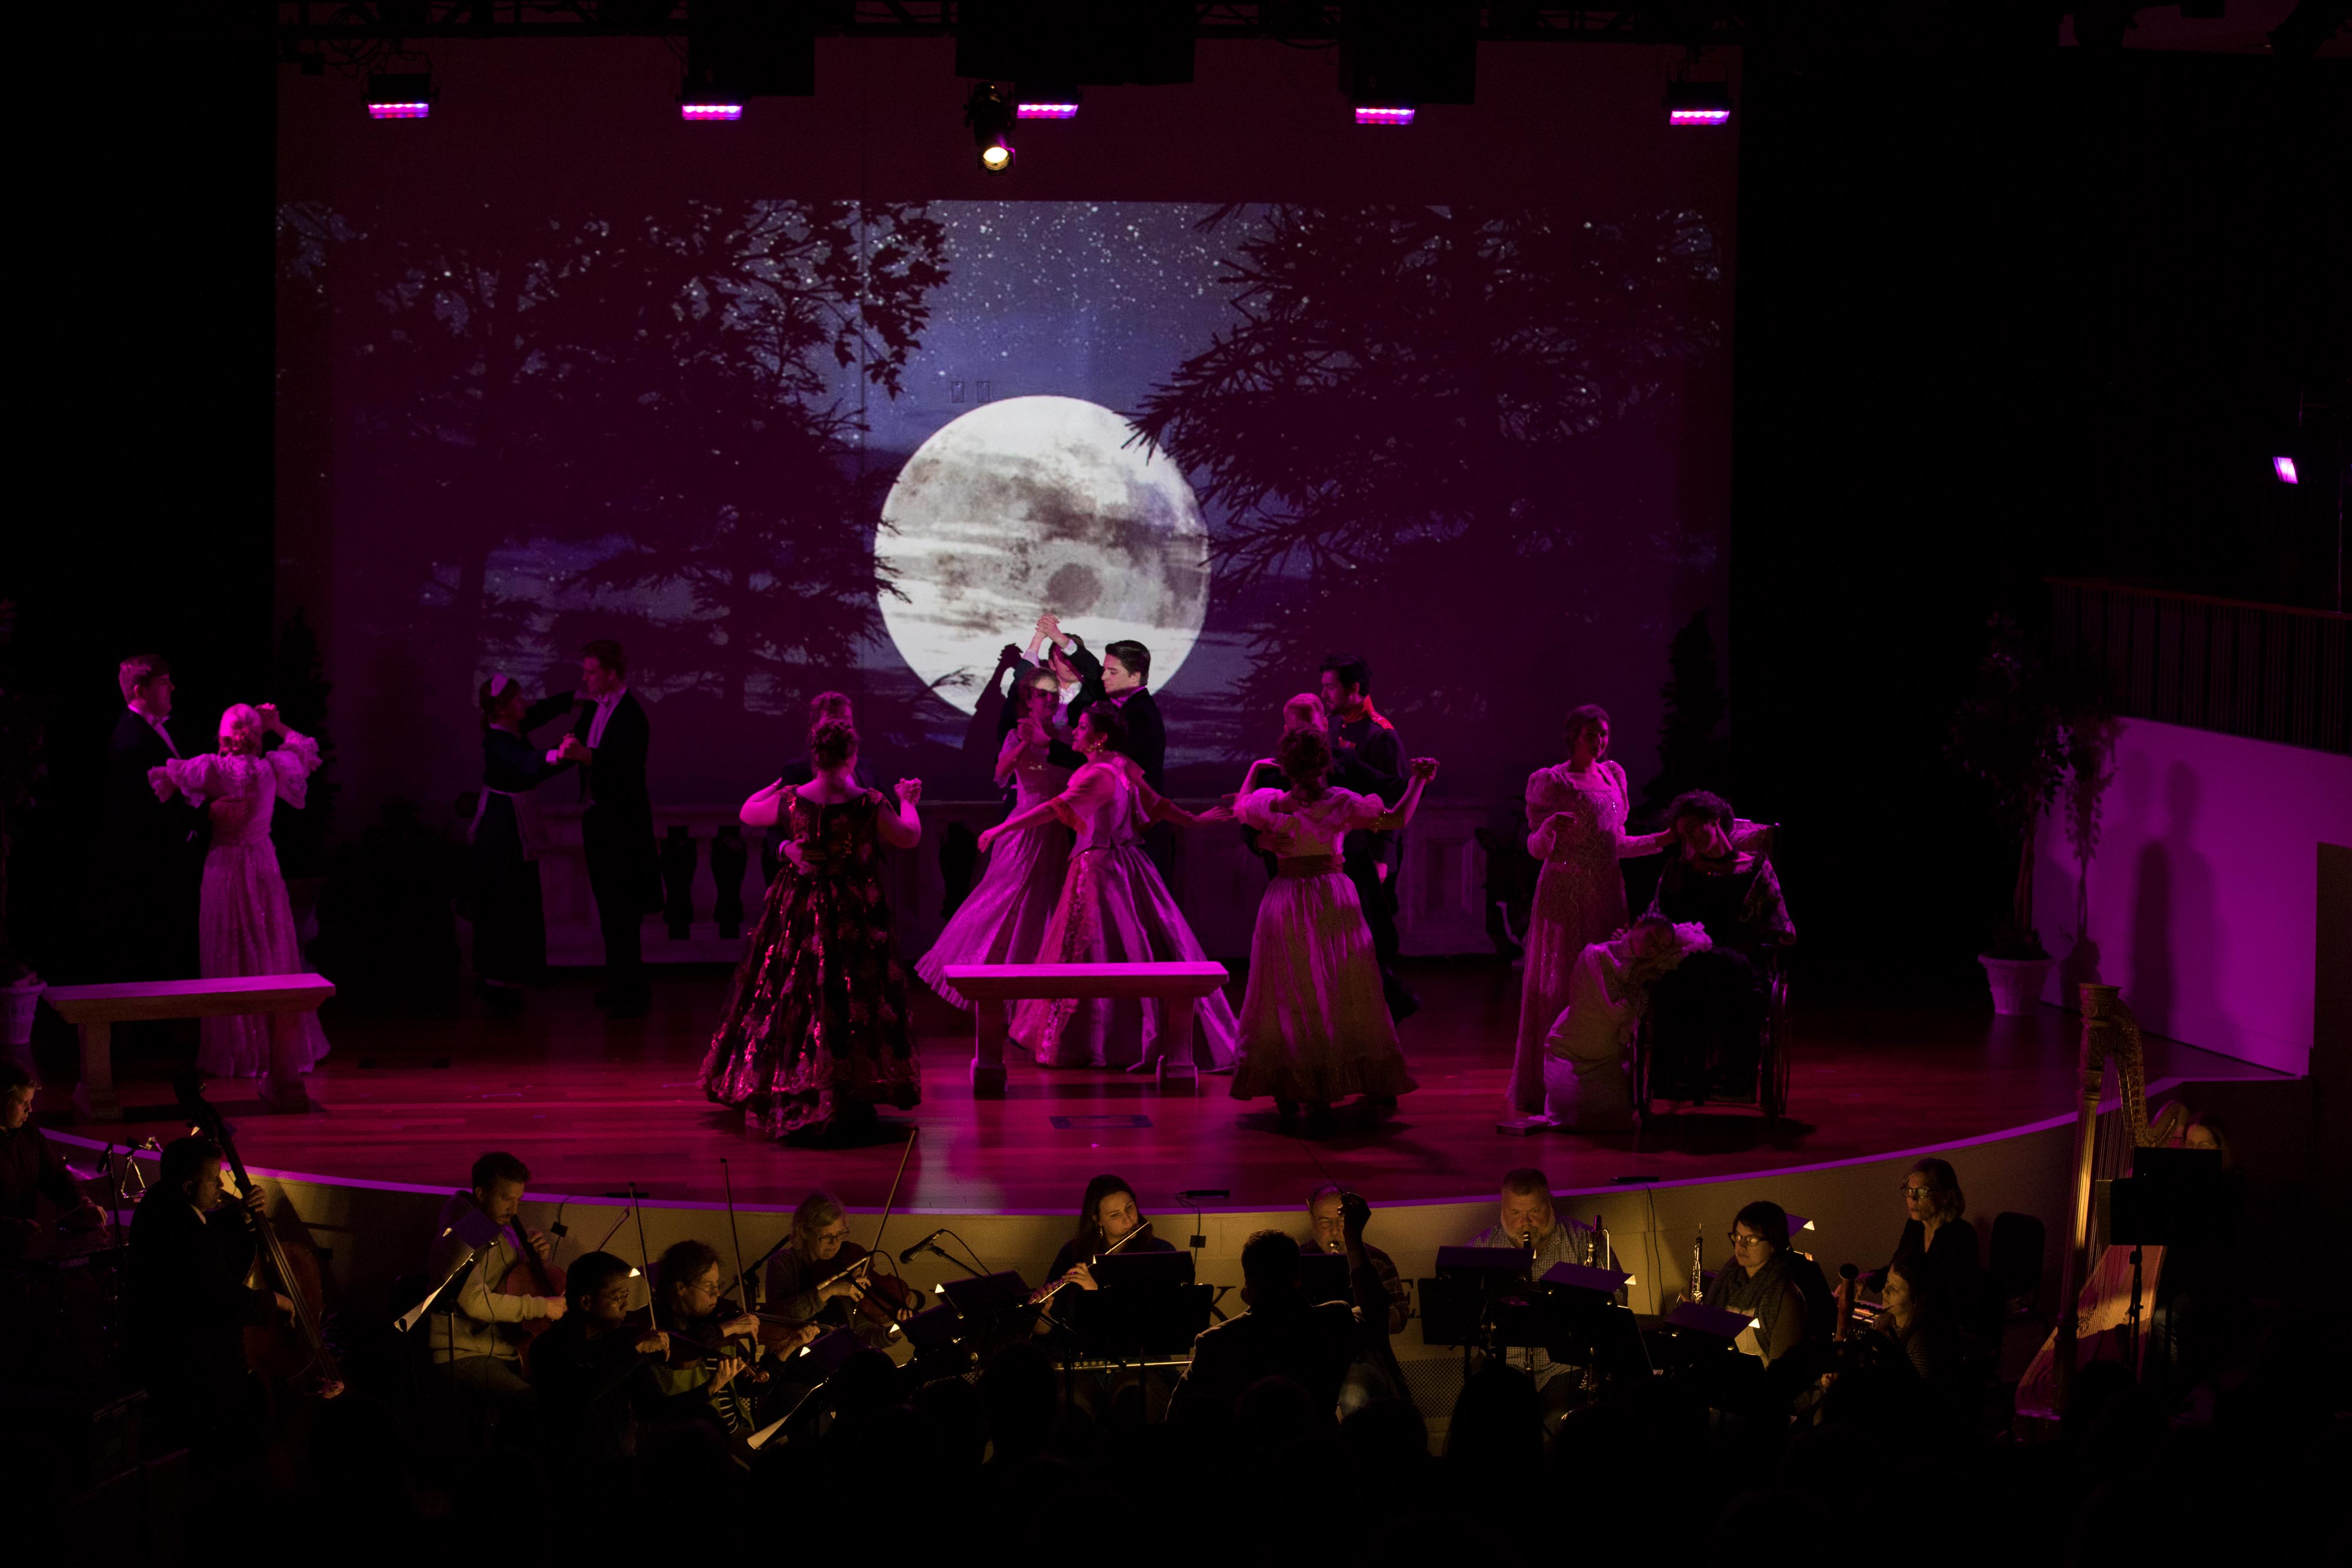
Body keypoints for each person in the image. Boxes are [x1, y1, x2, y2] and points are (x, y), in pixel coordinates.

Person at [980, 704, 1239, 1071]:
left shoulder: (1099, 776)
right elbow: (1158, 803)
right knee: (1134, 946)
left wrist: (1000, 829)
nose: (1074, 731)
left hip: (1099, 866)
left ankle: (1103, 1041)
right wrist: (1193, 821)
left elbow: (1053, 810)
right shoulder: (1119, 764)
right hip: (1128, 864)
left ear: (1099, 738)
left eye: (1082, 727)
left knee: (1092, 951)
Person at [703, 716, 923, 1143]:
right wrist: (908, 799)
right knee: (851, 996)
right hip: (855, 911)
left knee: (798, 993)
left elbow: (748, 811)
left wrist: (777, 793)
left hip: (801, 908)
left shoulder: (791, 799)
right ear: (851, 756)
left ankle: (796, 1080)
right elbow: (908, 836)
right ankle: (847, 1086)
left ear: (815, 756)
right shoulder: (869, 802)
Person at [1229, 721, 1437, 1131]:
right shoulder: (1338, 802)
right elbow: (1395, 820)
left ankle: (1292, 1084)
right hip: (1329, 896)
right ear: (1324, 764)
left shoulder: (1271, 802)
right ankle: (1320, 1083)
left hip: (1288, 898)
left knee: (1291, 991)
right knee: (1337, 987)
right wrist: (1418, 782)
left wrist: (1254, 771)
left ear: (1286, 767)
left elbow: (1241, 807)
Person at [1506, 706, 1683, 1114]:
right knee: (1563, 976)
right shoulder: (1552, 782)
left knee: (1609, 976)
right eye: (1591, 733)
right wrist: (1548, 830)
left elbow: (1616, 843)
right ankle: (1551, 1079)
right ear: (1573, 736)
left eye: (1604, 733)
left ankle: (1608, 1076)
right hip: (1564, 887)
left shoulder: (1613, 777)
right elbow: (1535, 847)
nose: (1600, 741)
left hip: (1605, 887)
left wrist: (1661, 839)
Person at [147, 701, 329, 1078]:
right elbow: (305, 747)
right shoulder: (272, 766)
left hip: (224, 864)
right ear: (256, 738)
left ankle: (234, 1049)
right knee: (269, 947)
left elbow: (165, 784)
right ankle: (276, 1049)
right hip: (262, 863)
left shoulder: (209, 768)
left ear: (223, 736)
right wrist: (276, 723)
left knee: (227, 948)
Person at [917, 665, 1073, 1013]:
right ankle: (984, 978)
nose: (1050, 699)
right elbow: (1000, 774)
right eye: (1042, 694)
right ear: (1029, 700)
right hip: (1023, 828)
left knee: (1045, 904)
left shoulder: (1065, 737)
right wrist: (1023, 746)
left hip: (1057, 828)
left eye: (1054, 693)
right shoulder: (1017, 735)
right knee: (1006, 896)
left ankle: (1035, 995)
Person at [126, 1135, 293, 1455]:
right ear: (189, 1187)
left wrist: (240, 1214)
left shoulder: (161, 1201)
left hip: (164, 1353)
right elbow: (227, 1301)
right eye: (213, 1180)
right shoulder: (187, 1235)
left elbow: (204, 1226)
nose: (221, 1186)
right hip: (193, 1369)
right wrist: (277, 1301)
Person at [1644, 790, 1792, 1101]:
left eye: (1694, 828)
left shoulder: (1754, 869)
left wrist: (1773, 935)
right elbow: (1655, 915)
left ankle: (1732, 1072)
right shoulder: (1677, 871)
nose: (1691, 839)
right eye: (1684, 834)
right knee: (1679, 973)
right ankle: (1676, 1073)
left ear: (1714, 821)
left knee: (1724, 966)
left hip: (1740, 964)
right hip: (1686, 962)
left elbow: (1780, 922)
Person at [555, 639, 659, 1018]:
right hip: (600, 820)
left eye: (591, 671)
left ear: (611, 674)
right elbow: (586, 745)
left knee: (622, 909)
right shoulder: (595, 710)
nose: (585, 677)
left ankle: (630, 988)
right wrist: (569, 746)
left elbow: (625, 765)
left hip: (622, 826)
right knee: (609, 907)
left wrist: (586, 755)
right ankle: (622, 985)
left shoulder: (632, 715)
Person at [1171, 1229, 1372, 1419]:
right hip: (1318, 1450)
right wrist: (1353, 1239)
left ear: (1248, 1286)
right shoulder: (1334, 1321)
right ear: (1298, 1277)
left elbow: (1177, 1415)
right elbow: (1374, 1311)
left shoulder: (1217, 1342)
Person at [1538, 916, 1711, 1132]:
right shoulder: (1595, 957)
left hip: (1606, 1058)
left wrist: (1644, 965)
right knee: (1572, 1113)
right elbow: (1618, 1015)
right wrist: (1639, 974)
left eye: (1660, 948)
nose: (1653, 948)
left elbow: (1696, 939)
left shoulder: (1642, 966)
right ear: (1636, 927)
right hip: (1571, 1050)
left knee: (1616, 1118)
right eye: (1651, 937)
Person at [423, 1151, 566, 1409]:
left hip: (502, 1346)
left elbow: (502, 1279)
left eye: (518, 1200)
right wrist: (543, 1306)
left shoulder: (497, 1226)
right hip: (464, 1354)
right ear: (481, 1193)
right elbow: (475, 1302)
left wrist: (530, 1257)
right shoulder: (462, 1233)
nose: (514, 1210)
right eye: (506, 1199)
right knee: (537, 1405)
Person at [95, 653, 203, 986]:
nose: (172, 688)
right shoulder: (133, 740)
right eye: (162, 683)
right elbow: (146, 811)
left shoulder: (154, 731)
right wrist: (202, 814)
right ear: (141, 692)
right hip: (152, 868)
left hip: (167, 861)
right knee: (153, 955)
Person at [467, 674, 577, 999]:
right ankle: (502, 974)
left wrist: (572, 698)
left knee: (516, 893)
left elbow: (538, 714)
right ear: (500, 709)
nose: (522, 704)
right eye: (515, 700)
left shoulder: (508, 731)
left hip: (511, 822)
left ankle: (514, 972)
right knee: (507, 895)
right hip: (503, 828)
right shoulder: (497, 742)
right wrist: (561, 754)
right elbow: (523, 762)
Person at [1319, 655, 1416, 1021]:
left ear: (1354, 689)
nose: (1324, 694)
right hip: (1344, 851)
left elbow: (1392, 802)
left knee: (1372, 938)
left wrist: (1382, 858)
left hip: (1371, 853)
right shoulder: (1334, 727)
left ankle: (1383, 1015)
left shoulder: (1381, 734)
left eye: (1330, 686)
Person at [527, 1249, 686, 1466]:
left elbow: (655, 1408)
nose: (626, 1305)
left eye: (626, 1296)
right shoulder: (548, 1347)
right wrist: (635, 1350)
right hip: (568, 1466)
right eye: (618, 1297)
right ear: (586, 1302)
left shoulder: (622, 1343)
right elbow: (580, 1396)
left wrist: (708, 1389)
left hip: (619, 1463)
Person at [1465, 1168, 1595, 1394]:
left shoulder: (1584, 1242)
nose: (1526, 1222)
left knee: (1559, 1420)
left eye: (1535, 1211)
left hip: (1565, 1368)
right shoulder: (1480, 1250)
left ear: (1550, 1203)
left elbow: (1615, 1303)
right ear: (1503, 1210)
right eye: (1515, 1213)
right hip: (1503, 1367)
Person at [759, 1191, 916, 1352]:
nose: (835, 1243)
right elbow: (778, 1318)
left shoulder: (851, 1261)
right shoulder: (783, 1263)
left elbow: (861, 1335)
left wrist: (893, 1333)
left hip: (841, 1358)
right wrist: (830, 1290)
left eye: (840, 1234)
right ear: (805, 1232)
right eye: (826, 1237)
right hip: (794, 1358)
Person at [1862, 1157, 1982, 1328]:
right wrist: (1868, 1279)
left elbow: (1955, 1300)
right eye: (1909, 1191)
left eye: (1922, 1193)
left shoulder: (1963, 1235)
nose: (1913, 1199)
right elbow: (1899, 1272)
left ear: (1946, 1196)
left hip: (1939, 1326)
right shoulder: (1915, 1227)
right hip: (1913, 1318)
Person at [1, 1061, 105, 1255]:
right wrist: (11, 1226)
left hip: (21, 1246)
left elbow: (54, 1174)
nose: (30, 1110)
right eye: (24, 1103)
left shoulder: (28, 1133)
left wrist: (82, 1202)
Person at [1703, 1201, 1811, 1366]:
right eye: (1738, 1237)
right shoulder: (1727, 1283)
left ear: (1774, 1245)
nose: (1741, 1246)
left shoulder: (1786, 1297)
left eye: (1752, 1240)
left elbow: (1781, 1372)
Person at [1041, 1174, 1178, 1293]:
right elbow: (1056, 1319)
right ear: (1098, 1220)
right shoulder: (1072, 1253)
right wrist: (1044, 1313)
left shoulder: (1161, 1252)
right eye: (1115, 1215)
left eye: (1129, 1207)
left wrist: (1095, 1290)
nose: (1128, 1219)